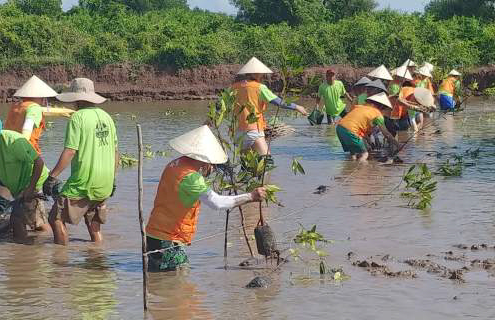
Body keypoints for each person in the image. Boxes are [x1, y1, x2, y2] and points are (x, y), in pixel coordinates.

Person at [145, 125, 266, 272]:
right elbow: (217, 203)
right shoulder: (191, 177)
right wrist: (250, 196)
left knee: (161, 281)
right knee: (179, 281)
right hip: (168, 239)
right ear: (205, 159)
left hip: (154, 233)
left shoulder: (174, 164)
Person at [45, 78, 117, 246]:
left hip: (84, 182)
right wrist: (112, 179)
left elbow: (70, 151)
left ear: (76, 99)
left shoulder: (77, 118)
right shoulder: (107, 117)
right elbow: (115, 152)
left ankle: (61, 262)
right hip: (105, 182)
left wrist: (52, 177)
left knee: (55, 218)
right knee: (94, 224)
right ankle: (98, 255)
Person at [0, 75, 58, 219]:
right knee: (50, 183)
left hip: (4, 153)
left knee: (3, 188)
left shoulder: (16, 106)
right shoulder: (34, 108)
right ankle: (66, 207)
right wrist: (22, 147)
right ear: (42, 96)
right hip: (24, 153)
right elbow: (27, 128)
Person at [232, 57, 307, 155]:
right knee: (266, 162)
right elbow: (278, 102)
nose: (263, 76)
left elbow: (220, 105)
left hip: (238, 132)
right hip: (254, 130)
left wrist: (210, 120)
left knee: (246, 165)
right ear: (256, 73)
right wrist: (297, 107)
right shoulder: (259, 87)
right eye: (261, 73)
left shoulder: (234, 87)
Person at [336, 93, 400, 162]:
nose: (387, 113)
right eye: (387, 110)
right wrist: (397, 144)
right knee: (364, 154)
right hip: (351, 130)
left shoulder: (360, 107)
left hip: (340, 128)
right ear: (382, 107)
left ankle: (351, 168)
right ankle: (360, 170)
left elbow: (359, 126)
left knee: (353, 153)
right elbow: (386, 134)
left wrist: (368, 140)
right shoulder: (378, 114)